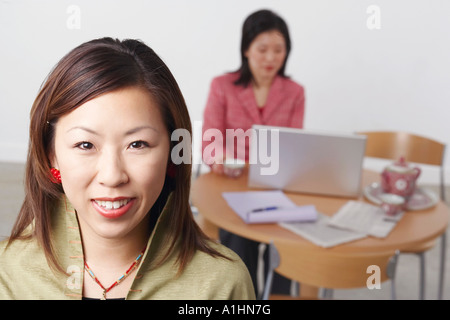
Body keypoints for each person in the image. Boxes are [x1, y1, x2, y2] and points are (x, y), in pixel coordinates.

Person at [0, 38, 255, 300]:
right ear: (51, 155)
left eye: (137, 144)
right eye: (85, 144)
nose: (112, 176)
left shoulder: (222, 285)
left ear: (172, 155)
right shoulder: (7, 274)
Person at [202, 9, 305, 296]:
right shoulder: (222, 87)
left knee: (285, 242)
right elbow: (210, 140)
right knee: (238, 242)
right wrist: (221, 157)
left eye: (278, 50)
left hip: (276, 186)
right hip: (232, 186)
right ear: (246, 49)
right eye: (262, 49)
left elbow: (294, 147)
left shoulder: (295, 92)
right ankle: (245, 295)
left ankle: (277, 295)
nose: (271, 58)